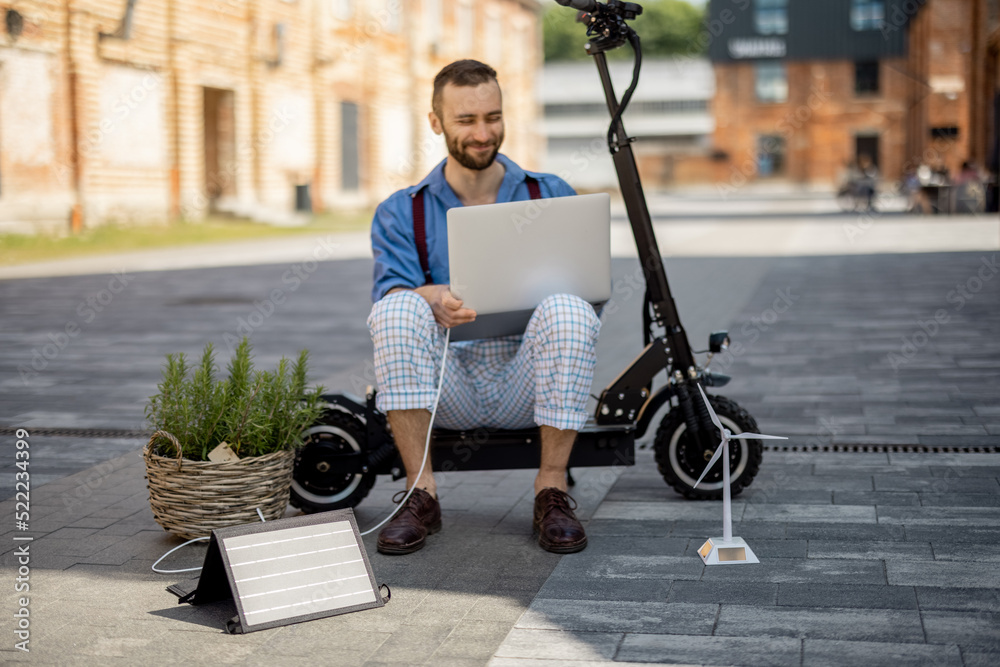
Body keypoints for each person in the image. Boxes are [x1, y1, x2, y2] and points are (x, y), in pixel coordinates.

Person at [366, 60, 601, 556]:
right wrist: (432, 296)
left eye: (492, 117)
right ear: (436, 122)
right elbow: (390, 293)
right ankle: (420, 494)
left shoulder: (550, 193)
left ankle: (552, 489)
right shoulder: (400, 209)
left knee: (571, 308)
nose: (482, 132)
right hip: (444, 386)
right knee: (397, 309)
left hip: (527, 380)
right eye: (466, 120)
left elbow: (586, 286)